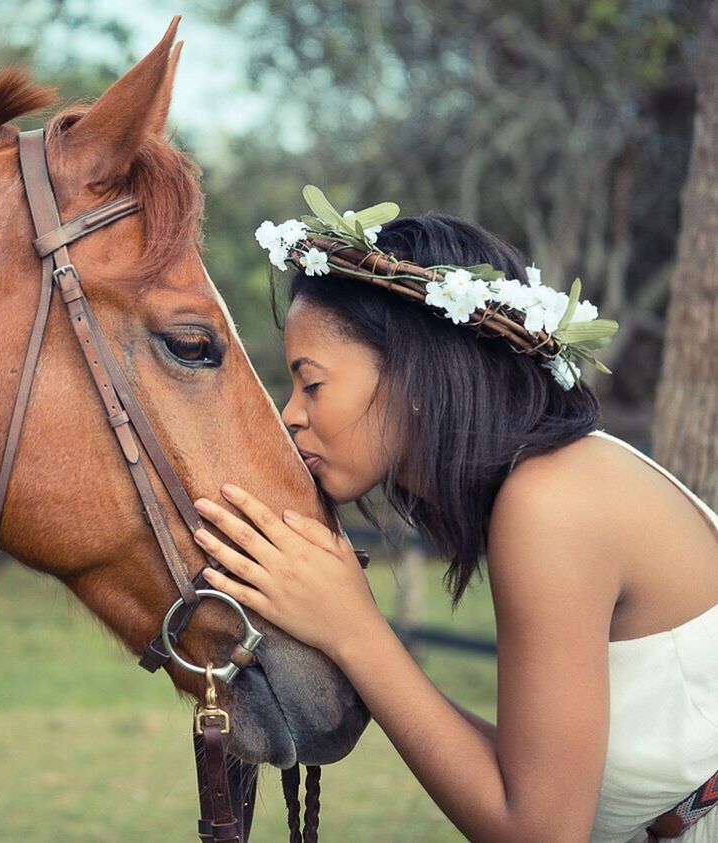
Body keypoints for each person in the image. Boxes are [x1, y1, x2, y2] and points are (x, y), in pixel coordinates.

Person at [190, 207, 718, 842]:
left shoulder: (552, 503)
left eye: (312, 384)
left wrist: (353, 630)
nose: (290, 415)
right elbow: (533, 778)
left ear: (411, 368)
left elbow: (539, 832)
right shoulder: (558, 482)